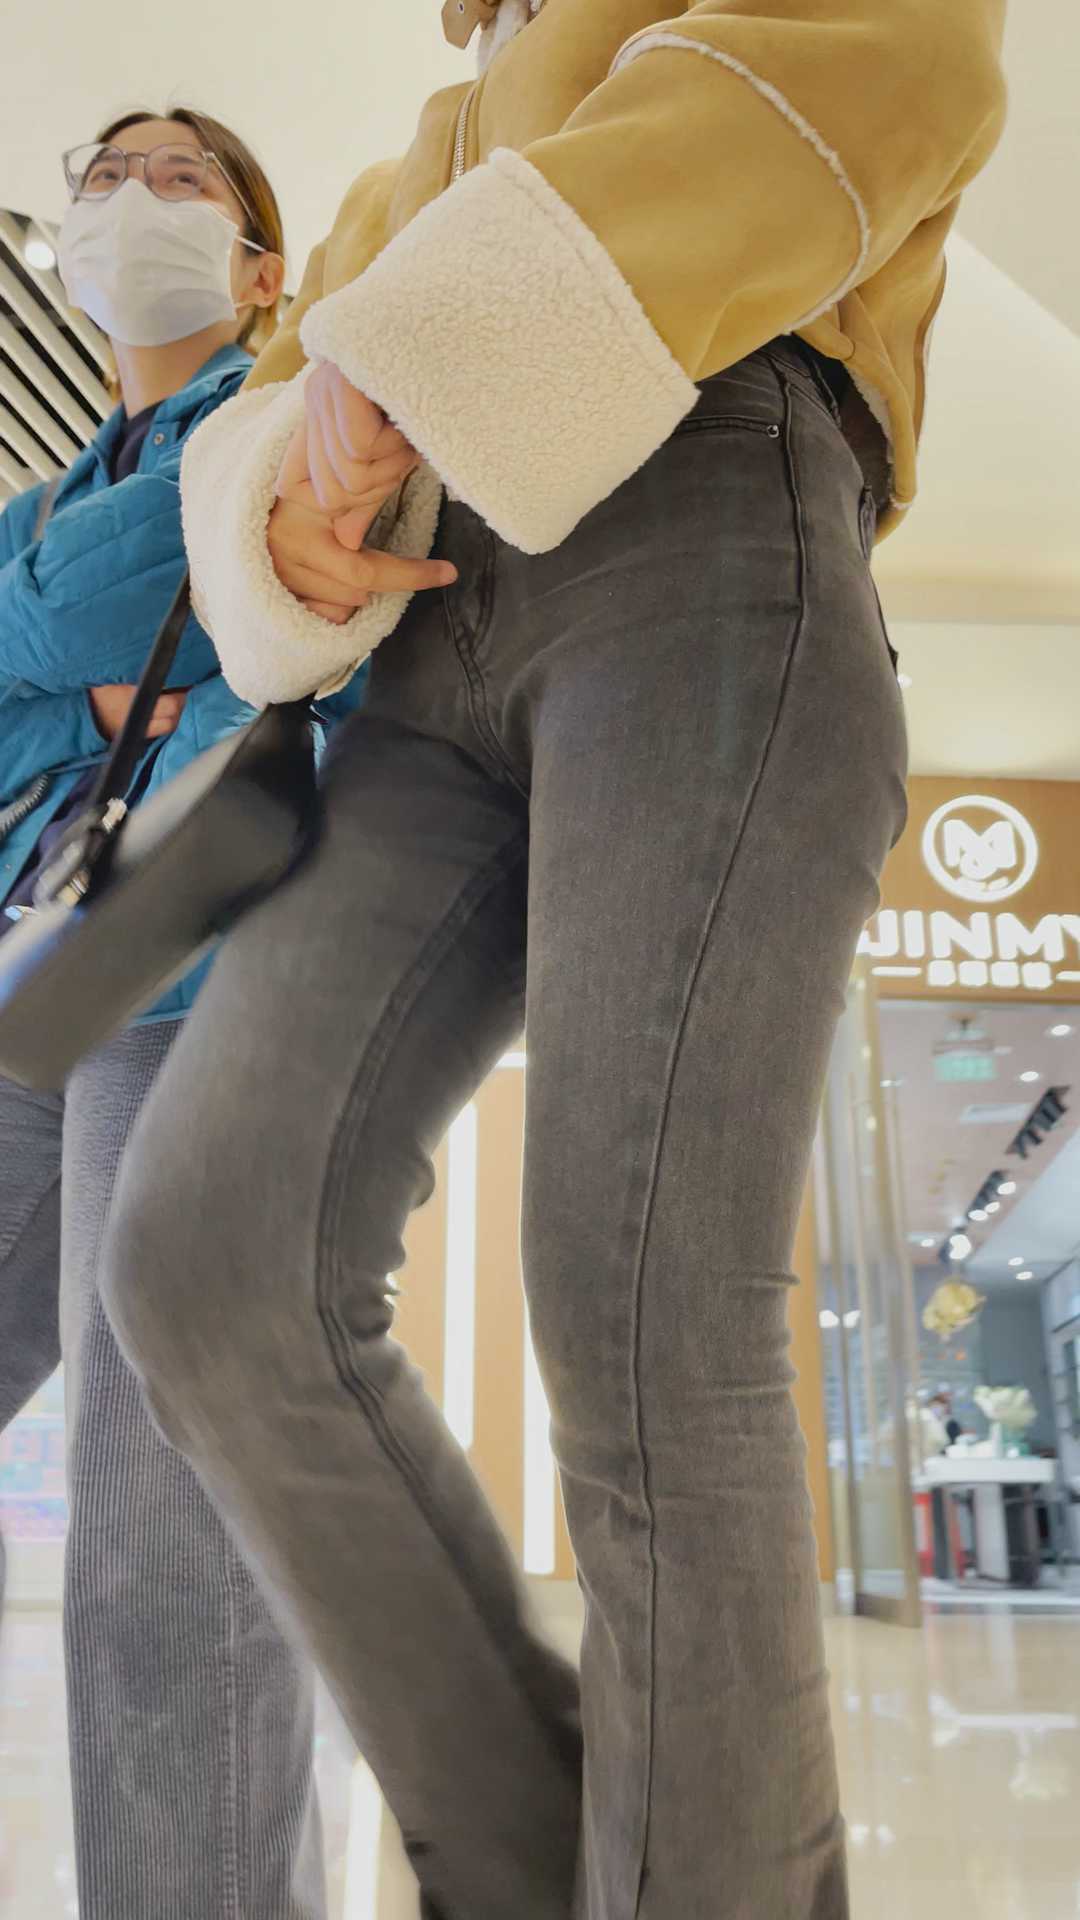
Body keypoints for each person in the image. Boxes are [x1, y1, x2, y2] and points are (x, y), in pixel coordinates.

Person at [104, 5, 1007, 1917]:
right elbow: (288, 397)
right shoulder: (421, 157)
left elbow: (906, 67)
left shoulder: (487, 163)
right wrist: (298, 509)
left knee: (644, 1308)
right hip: (427, 648)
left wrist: (415, 348)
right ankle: (532, 1873)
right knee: (204, 1253)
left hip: (709, 519)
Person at [0, 108, 362, 1918]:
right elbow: (128, 624)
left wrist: (69, 667)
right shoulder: (52, 493)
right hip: (33, 974)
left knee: (160, 1515)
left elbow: (247, 657)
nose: (126, 201)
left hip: (203, 971)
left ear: (262, 265)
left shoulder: (290, 414)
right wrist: (120, 670)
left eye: (180, 177)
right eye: (102, 177)